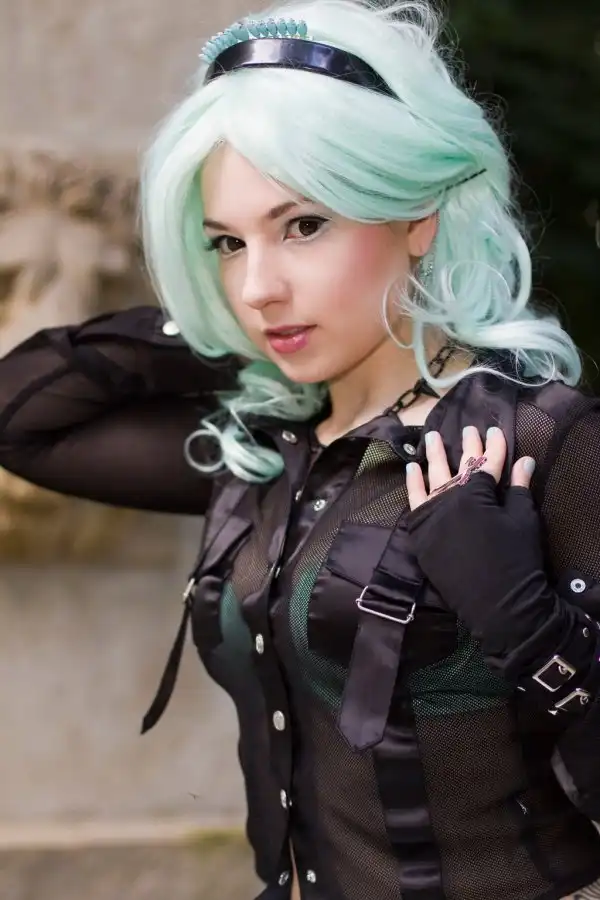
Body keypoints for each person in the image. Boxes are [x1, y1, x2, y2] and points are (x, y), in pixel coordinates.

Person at [1, 1, 600, 898]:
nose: (259, 286)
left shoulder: (542, 441)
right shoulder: (268, 454)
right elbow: (23, 413)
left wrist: (523, 624)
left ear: (417, 214)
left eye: (303, 226)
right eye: (226, 243)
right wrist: (218, 325)